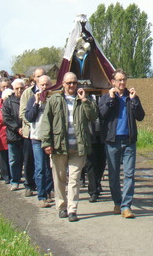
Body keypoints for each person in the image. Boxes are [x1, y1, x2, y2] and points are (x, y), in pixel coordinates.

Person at [40, 72, 98, 222]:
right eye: (69, 83)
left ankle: (72, 210)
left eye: (74, 82)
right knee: (59, 178)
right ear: (63, 84)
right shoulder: (55, 100)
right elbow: (46, 122)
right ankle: (62, 206)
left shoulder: (84, 99)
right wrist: (46, 142)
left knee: (74, 179)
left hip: (78, 147)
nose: (72, 85)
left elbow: (93, 116)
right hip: (60, 146)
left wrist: (85, 100)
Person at [99, 69, 145, 219]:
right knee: (113, 175)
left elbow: (140, 116)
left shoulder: (131, 98)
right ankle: (117, 202)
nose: (122, 82)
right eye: (119, 80)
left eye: (124, 79)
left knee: (129, 174)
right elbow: (102, 115)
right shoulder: (106, 97)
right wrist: (111, 100)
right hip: (112, 141)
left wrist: (135, 101)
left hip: (128, 141)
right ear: (113, 82)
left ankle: (126, 206)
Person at [25, 75, 54, 208]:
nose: (44, 87)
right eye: (42, 85)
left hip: (50, 138)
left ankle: (48, 192)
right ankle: (41, 195)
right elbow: (29, 117)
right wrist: (36, 103)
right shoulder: (32, 99)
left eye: (47, 85)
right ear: (38, 84)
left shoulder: (53, 99)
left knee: (50, 168)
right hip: (37, 138)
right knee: (40, 168)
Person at [18, 68, 45, 197]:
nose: (40, 78)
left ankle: (45, 187)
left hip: (43, 132)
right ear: (34, 78)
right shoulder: (27, 93)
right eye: (38, 76)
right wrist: (32, 122)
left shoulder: (49, 92)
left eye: (43, 75)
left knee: (43, 163)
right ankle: (29, 184)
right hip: (29, 131)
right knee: (29, 159)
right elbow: (23, 113)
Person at [2, 79, 26, 191]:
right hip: (13, 135)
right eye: (17, 88)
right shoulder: (8, 101)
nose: (19, 90)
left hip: (26, 135)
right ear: (13, 89)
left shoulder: (27, 99)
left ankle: (28, 181)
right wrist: (17, 128)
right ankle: (15, 180)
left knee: (27, 159)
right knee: (14, 160)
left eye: (21, 88)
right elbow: (6, 118)